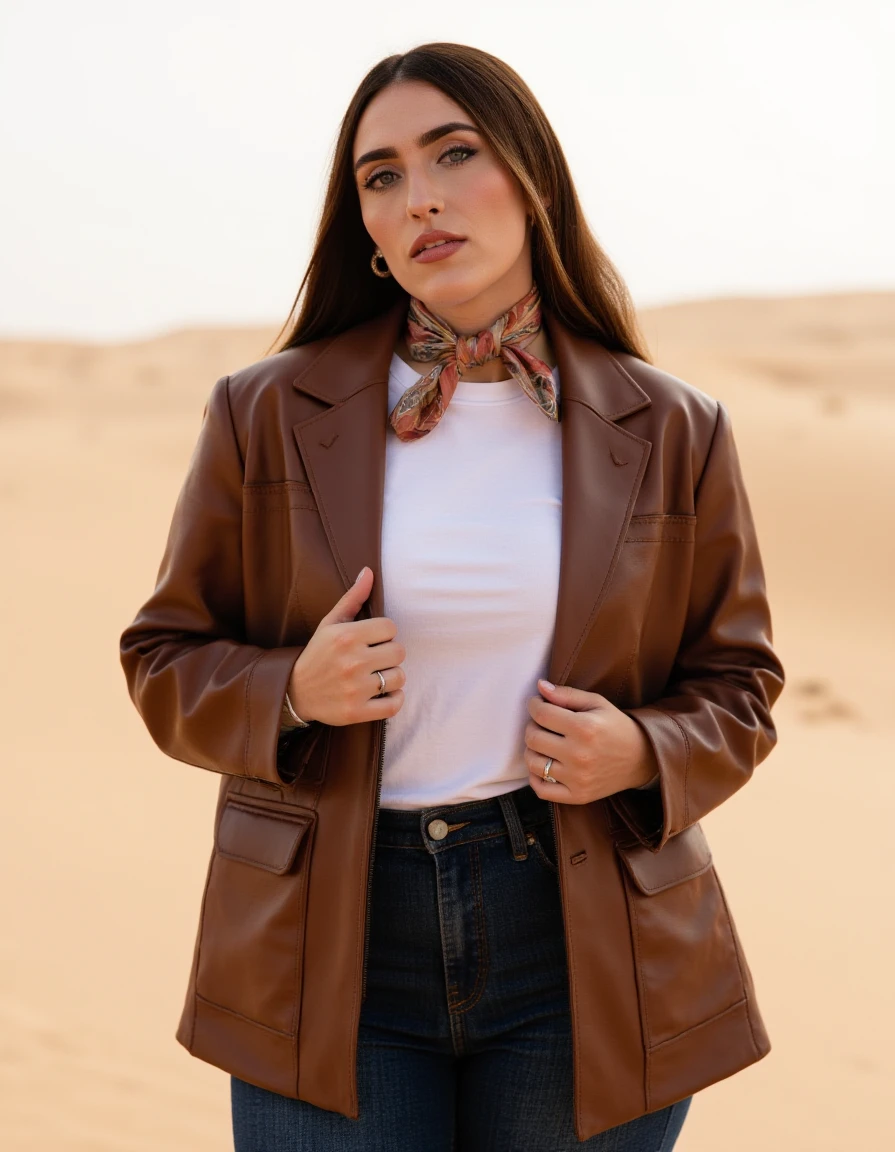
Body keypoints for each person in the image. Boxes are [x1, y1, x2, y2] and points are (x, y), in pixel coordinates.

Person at [119, 41, 785, 1151]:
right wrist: (291, 690)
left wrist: (643, 751)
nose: (417, 195)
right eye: (379, 176)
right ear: (366, 233)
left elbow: (741, 684)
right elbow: (163, 657)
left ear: (529, 178)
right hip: (329, 941)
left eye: (453, 153)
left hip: (581, 935)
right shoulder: (264, 411)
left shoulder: (669, 425)